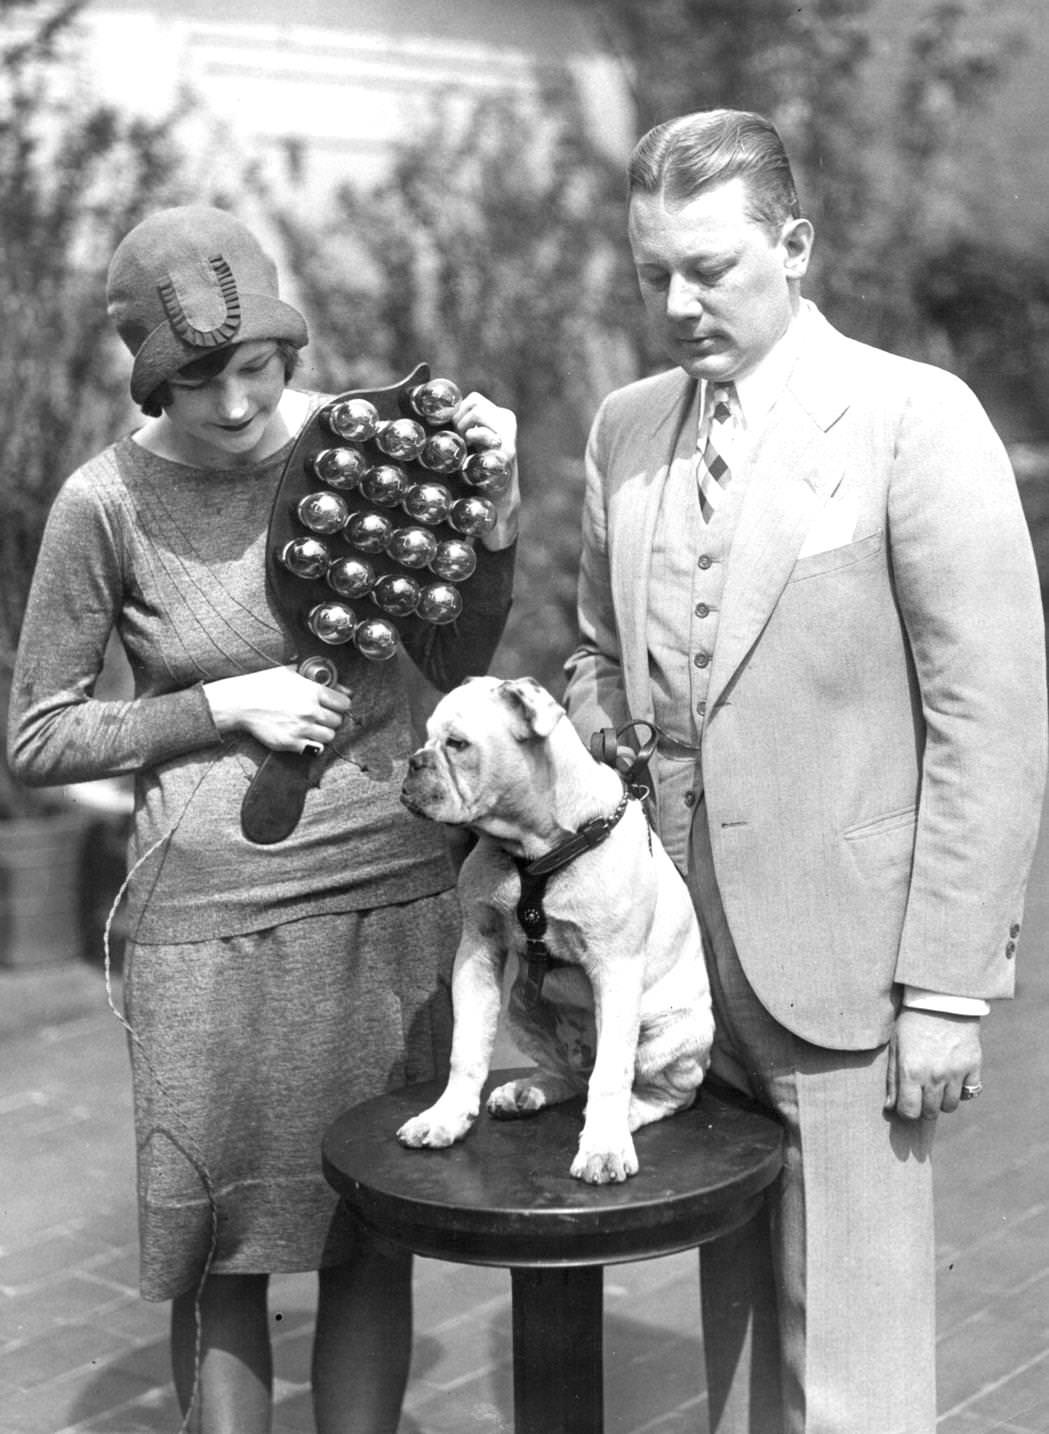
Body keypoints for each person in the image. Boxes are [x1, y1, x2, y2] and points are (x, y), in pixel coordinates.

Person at [562, 109, 1047, 1434]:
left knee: (855, 1378)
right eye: (651, 268)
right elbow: (598, 658)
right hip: (682, 969)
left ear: (794, 243)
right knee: (736, 1364)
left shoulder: (912, 419)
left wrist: (948, 984)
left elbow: (990, 725)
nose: (674, 303)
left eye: (709, 267)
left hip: (852, 974)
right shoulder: (625, 430)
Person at [7, 205, 519, 1434]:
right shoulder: (106, 502)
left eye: (256, 369)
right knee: (217, 1240)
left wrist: (494, 515)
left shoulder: (361, 451)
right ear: (148, 374)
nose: (235, 406)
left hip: (387, 888)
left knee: (366, 1230)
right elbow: (37, 736)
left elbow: (454, 648)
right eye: (195, 382)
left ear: (288, 347)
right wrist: (218, 703)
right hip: (205, 921)